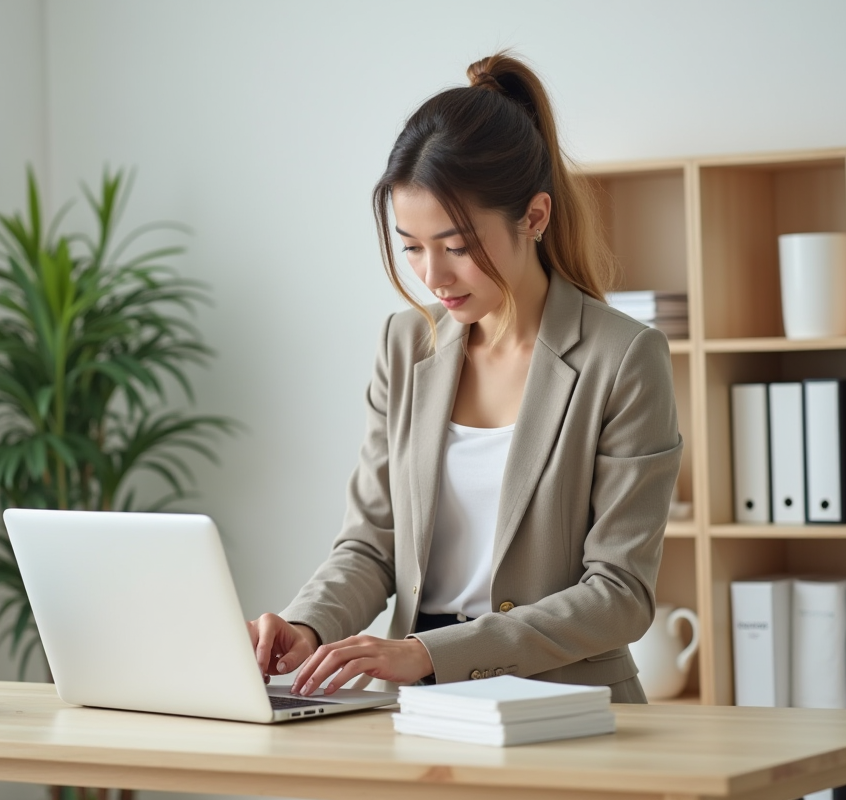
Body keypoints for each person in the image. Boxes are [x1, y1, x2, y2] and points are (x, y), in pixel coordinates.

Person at [247, 51, 682, 704]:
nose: (433, 276)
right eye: (412, 247)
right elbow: (371, 544)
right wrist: (308, 625)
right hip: (418, 710)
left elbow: (620, 595)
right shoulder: (405, 346)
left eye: (456, 247)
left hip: (568, 711)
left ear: (534, 217)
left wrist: (428, 653)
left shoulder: (622, 359)